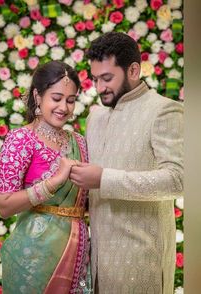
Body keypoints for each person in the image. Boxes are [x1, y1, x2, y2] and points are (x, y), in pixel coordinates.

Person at [70, 32, 184, 294]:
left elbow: (179, 179)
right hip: (96, 262)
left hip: (141, 260)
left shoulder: (163, 110)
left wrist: (103, 179)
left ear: (133, 69)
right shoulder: (95, 117)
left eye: (107, 78)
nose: (99, 88)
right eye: (95, 79)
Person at [0, 61, 91, 293]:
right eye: (56, 98)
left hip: (78, 252)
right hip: (34, 259)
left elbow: (82, 202)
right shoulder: (21, 139)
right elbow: (4, 206)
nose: (64, 108)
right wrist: (54, 182)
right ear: (38, 96)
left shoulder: (78, 141)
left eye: (70, 100)